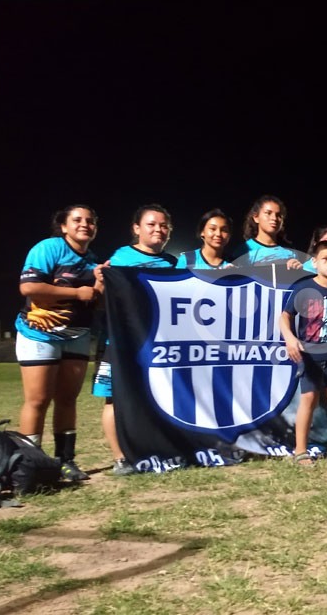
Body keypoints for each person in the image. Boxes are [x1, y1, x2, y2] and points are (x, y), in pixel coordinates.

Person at [15, 205, 103, 482]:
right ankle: (30, 464)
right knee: (38, 400)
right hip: (39, 334)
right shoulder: (49, 248)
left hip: (77, 336)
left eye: (90, 221)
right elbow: (28, 287)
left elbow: (94, 301)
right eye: (77, 220)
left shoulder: (92, 260)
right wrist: (78, 292)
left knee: (67, 400)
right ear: (64, 226)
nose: (84, 224)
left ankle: (66, 462)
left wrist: (100, 284)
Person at [93, 204, 178, 476]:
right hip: (119, 343)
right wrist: (101, 282)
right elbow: (104, 298)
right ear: (136, 229)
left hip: (155, 345)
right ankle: (120, 458)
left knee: (153, 398)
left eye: (163, 225)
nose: (158, 230)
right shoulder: (120, 260)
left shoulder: (171, 264)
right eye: (152, 224)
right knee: (113, 399)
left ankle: (155, 450)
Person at [279, 240, 327, 466]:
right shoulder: (304, 287)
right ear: (315, 262)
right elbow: (285, 316)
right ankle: (300, 450)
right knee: (309, 399)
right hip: (310, 355)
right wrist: (290, 339)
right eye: (326, 259)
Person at [235, 195, 302, 269]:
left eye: (279, 215)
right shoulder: (245, 250)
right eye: (268, 213)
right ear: (256, 217)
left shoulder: (290, 251)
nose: (274, 218)